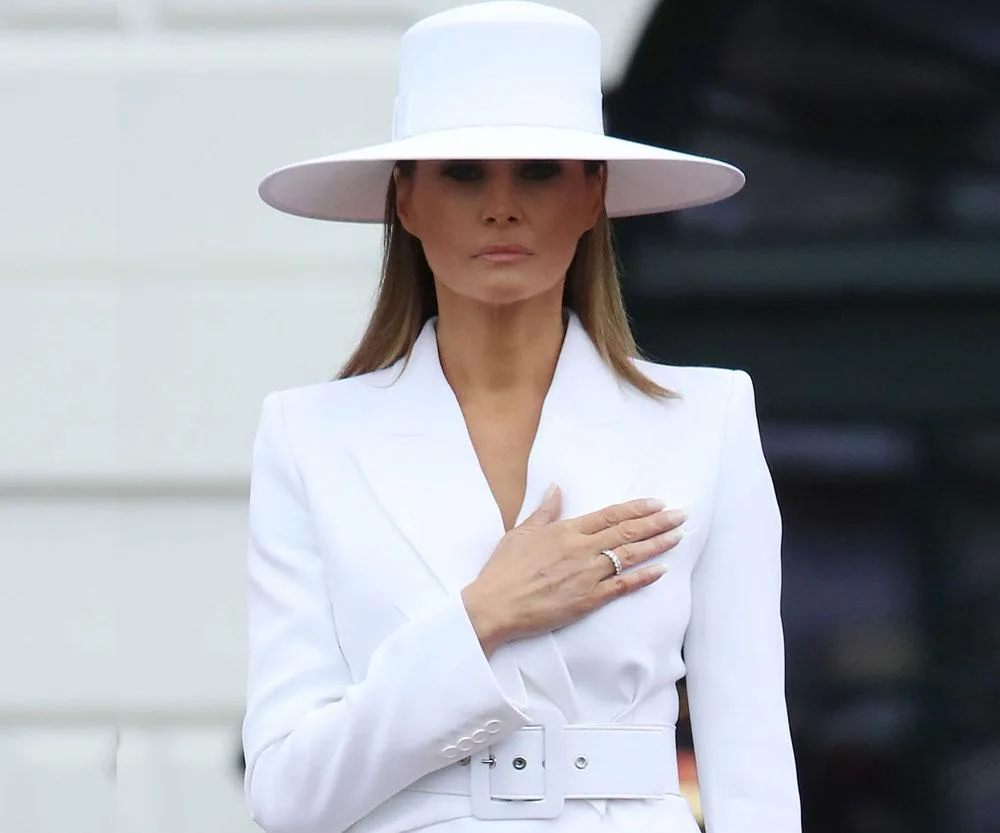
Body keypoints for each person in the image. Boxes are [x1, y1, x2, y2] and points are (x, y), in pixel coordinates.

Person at [241, 2, 801, 833]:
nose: (501, 206)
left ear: (593, 195)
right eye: (463, 172)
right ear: (407, 200)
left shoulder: (707, 421)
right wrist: (482, 615)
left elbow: (752, 768)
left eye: (538, 169)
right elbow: (286, 794)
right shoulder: (308, 436)